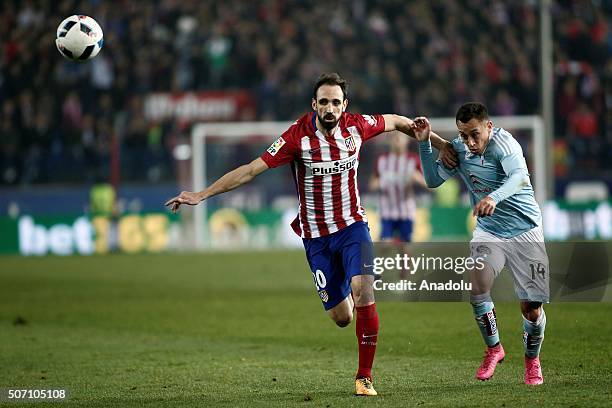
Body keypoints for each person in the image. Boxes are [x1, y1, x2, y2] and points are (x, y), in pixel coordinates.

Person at [165, 73, 457, 396]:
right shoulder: (295, 138)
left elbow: (400, 122)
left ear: (344, 106)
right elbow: (250, 170)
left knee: (365, 292)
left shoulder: (357, 126)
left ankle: (364, 377)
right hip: (316, 238)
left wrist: (441, 145)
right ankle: (345, 285)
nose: (330, 108)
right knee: (342, 317)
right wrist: (201, 194)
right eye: (324, 102)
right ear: (314, 104)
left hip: (352, 228)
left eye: (336, 102)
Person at [413, 102, 549, 385]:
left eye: (474, 134)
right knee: (477, 286)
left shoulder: (505, 144)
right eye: (464, 136)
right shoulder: (459, 148)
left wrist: (493, 198)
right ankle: (494, 349)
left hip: (526, 230)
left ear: (488, 126)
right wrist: (426, 144)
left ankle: (531, 359)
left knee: (531, 308)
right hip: (490, 232)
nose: (469, 142)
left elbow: (520, 178)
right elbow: (432, 179)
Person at [370, 131, 426, 243]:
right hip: (386, 212)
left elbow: (428, 184)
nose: (397, 141)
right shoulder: (382, 160)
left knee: (405, 250)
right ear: (389, 141)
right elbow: (372, 185)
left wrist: (417, 178)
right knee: (384, 246)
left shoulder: (413, 159)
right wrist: (383, 180)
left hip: (406, 212)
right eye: (394, 138)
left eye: (400, 138)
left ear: (407, 140)